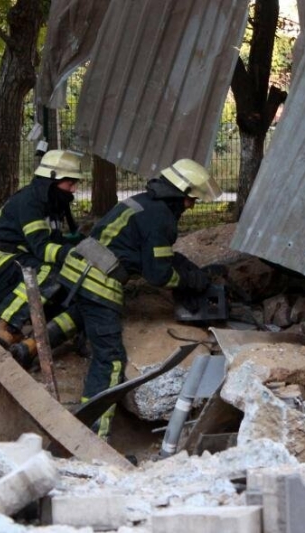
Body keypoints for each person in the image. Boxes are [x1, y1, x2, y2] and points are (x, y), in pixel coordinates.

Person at [52, 158, 221, 439]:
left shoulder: (142, 202)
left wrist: (183, 264)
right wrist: (191, 281)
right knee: (111, 360)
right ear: (179, 194)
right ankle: (92, 438)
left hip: (76, 269)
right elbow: (158, 275)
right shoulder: (162, 219)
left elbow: (145, 249)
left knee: (82, 315)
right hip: (98, 282)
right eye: (191, 200)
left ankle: (31, 346)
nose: (191, 206)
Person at [0, 149, 87, 368]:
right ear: (53, 180)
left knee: (77, 298)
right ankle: (2, 323)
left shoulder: (51, 204)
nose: (73, 189)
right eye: (70, 183)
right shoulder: (30, 201)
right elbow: (42, 248)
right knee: (50, 272)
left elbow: (55, 242)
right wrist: (76, 254)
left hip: (21, 262)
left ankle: (30, 347)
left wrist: (82, 246)